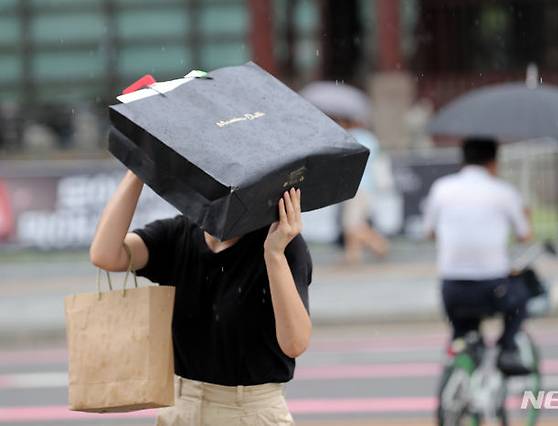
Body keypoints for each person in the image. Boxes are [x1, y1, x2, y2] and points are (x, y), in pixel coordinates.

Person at [90, 170, 312, 425]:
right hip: (181, 406)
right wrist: (138, 170)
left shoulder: (281, 245)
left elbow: (295, 343)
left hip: (250, 411)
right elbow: (105, 254)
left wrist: (274, 255)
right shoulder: (178, 234)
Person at [423, 137, 533, 374]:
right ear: (493, 162)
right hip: (492, 287)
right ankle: (507, 348)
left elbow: (429, 231)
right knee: (522, 297)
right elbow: (525, 235)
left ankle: (459, 351)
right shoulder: (504, 192)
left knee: (462, 331)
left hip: (451, 287)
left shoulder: (442, 188)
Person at [336, 116, 390, 264]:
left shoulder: (353, 138)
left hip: (357, 187)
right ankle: (353, 254)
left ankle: (379, 245)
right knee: (356, 222)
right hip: (367, 187)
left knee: (351, 224)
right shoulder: (369, 138)